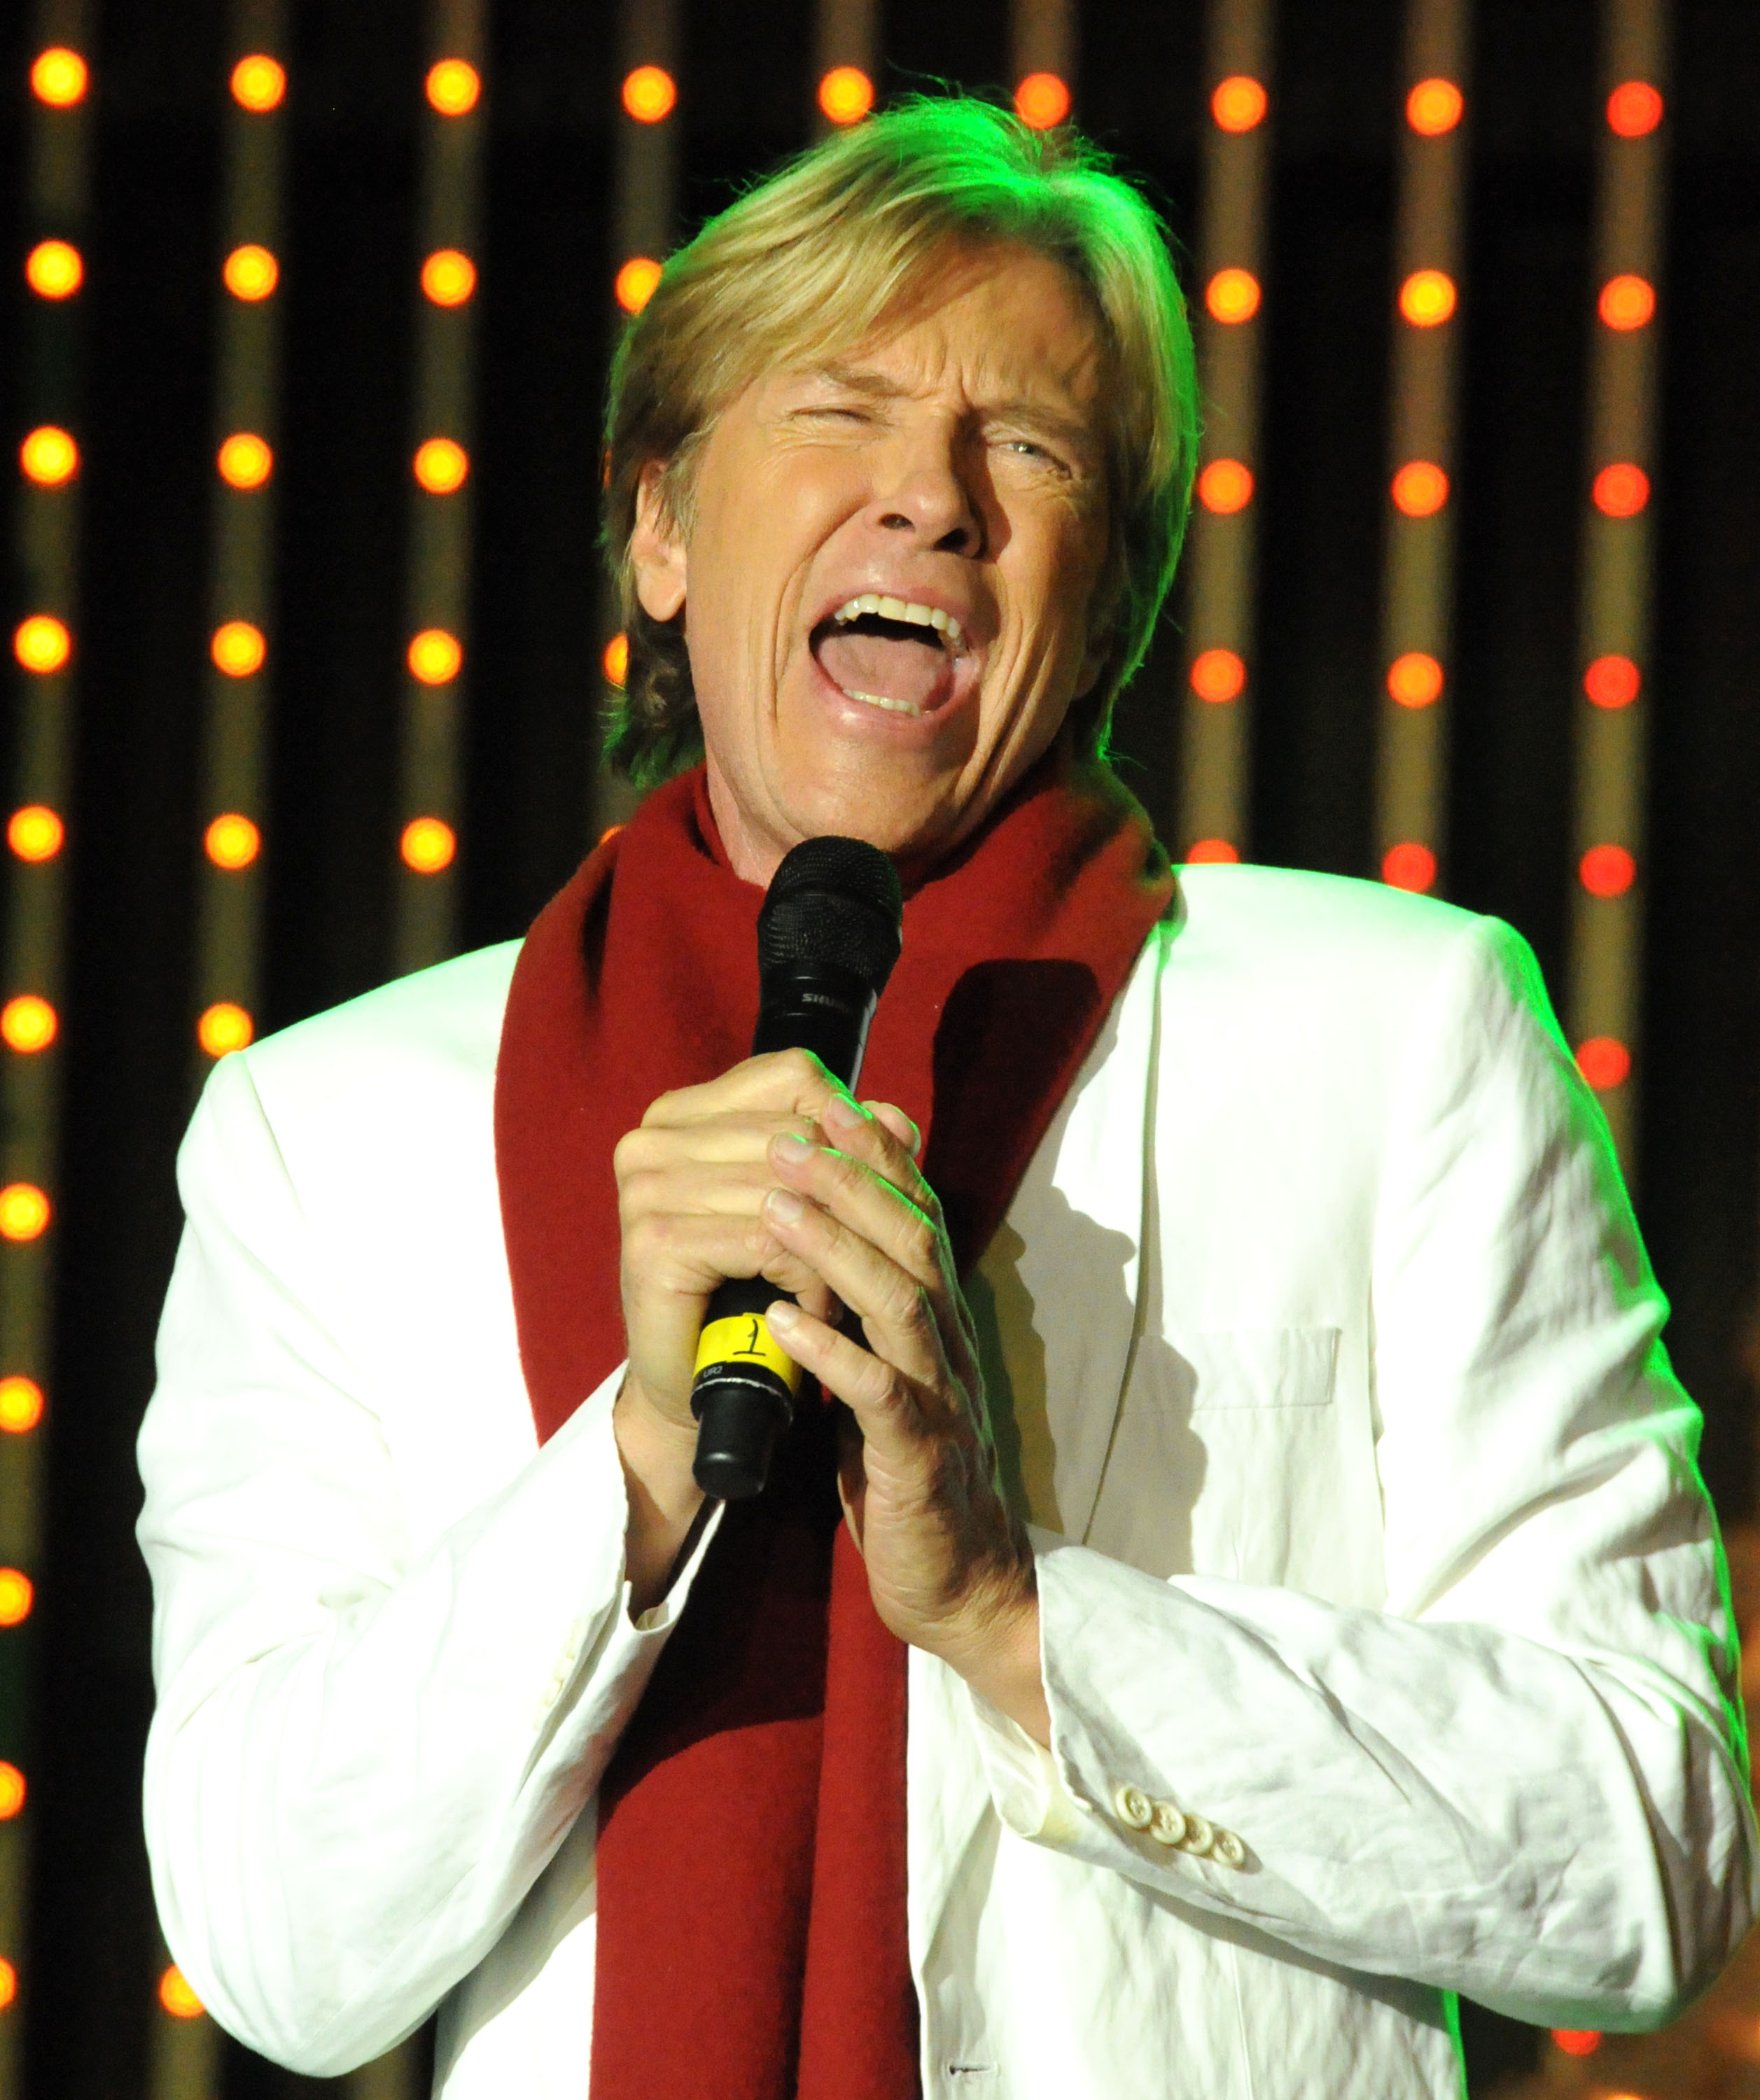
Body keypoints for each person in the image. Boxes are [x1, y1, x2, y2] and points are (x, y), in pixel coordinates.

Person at [138, 95, 1754, 2100]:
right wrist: (637, 1466)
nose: (932, 499)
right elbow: (275, 1950)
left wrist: (1013, 1615)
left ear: (1103, 601)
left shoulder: (1397, 1032)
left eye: (1031, 446)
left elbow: (1646, 1850)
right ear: (658, 524)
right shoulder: (329, 1129)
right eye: (841, 408)